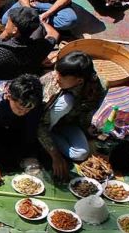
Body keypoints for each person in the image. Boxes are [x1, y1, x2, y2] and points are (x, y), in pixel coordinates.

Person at [38, 52, 106, 181]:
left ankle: (50, 138)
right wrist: (55, 155)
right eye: (56, 71)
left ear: (79, 80)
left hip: (67, 124)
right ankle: (45, 141)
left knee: (80, 154)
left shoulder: (96, 87)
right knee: (66, 101)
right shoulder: (52, 81)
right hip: (44, 123)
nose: (56, 77)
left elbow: (87, 112)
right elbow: (39, 122)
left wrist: (87, 128)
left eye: (62, 76)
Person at [0, 5, 55, 83]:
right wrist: (41, 22)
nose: (6, 24)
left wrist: (6, 32)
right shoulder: (41, 46)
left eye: (8, 23)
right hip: (26, 79)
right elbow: (54, 33)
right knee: (40, 31)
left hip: (0, 80)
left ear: (15, 30)